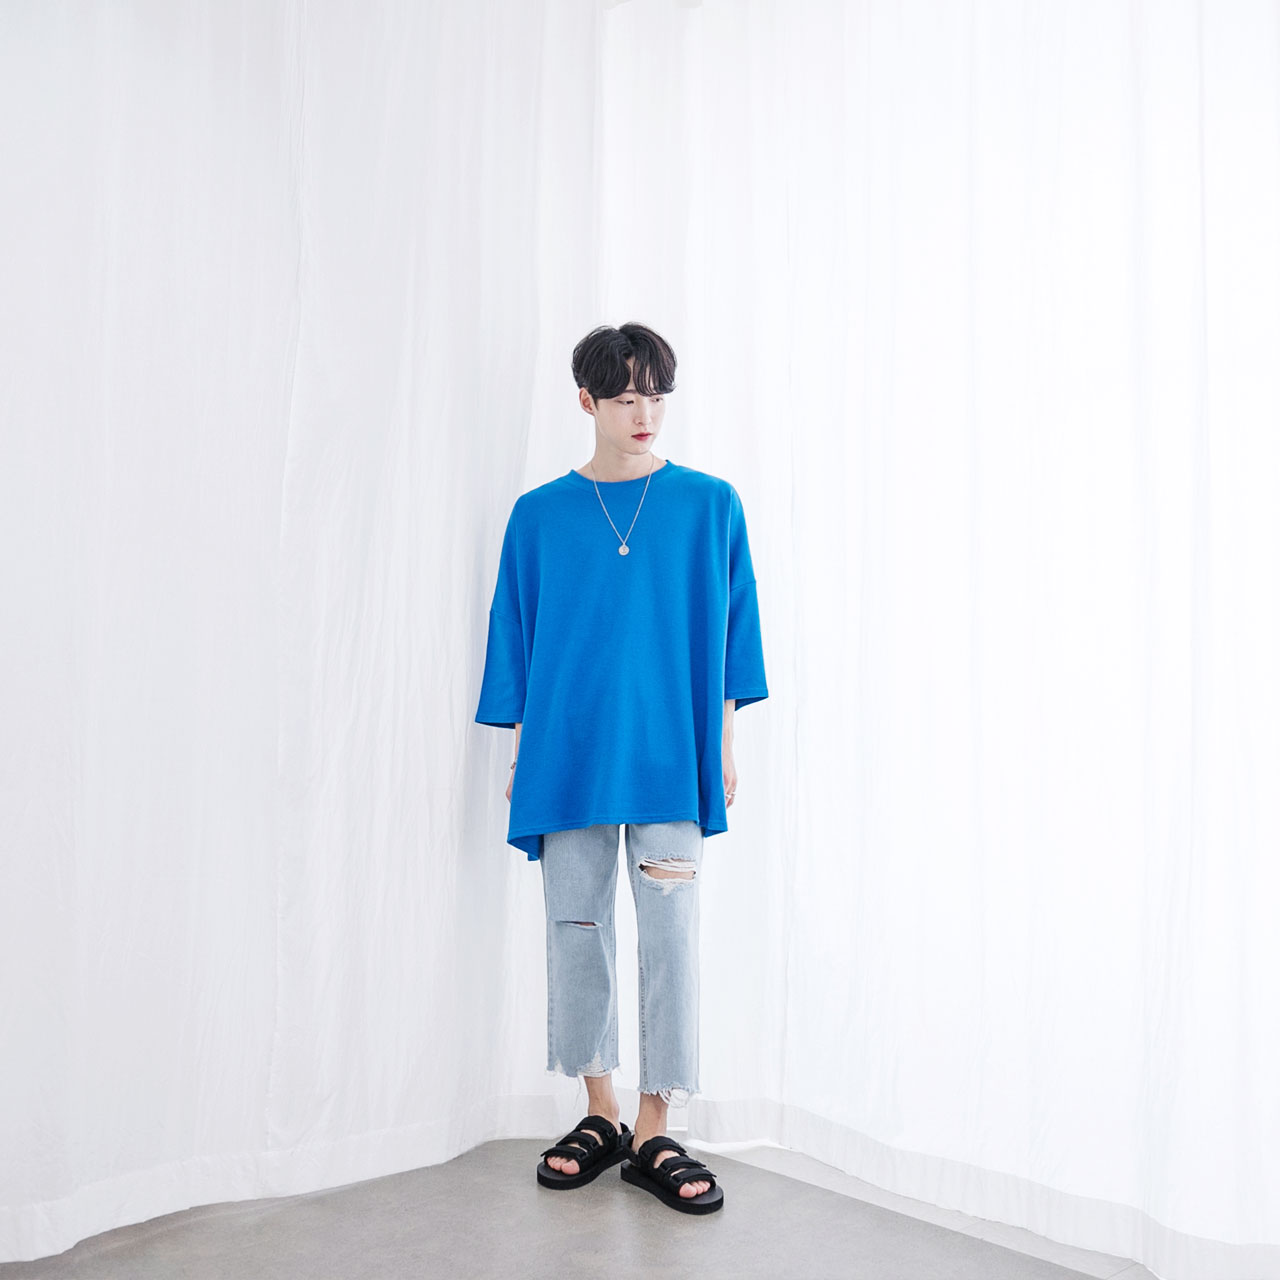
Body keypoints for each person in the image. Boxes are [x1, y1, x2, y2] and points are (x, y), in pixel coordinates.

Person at [474, 322, 768, 1215]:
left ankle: (655, 1125)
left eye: (656, 395)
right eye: (627, 396)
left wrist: (723, 742)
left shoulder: (710, 504)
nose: (646, 413)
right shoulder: (539, 515)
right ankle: (599, 1111)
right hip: (567, 757)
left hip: (671, 755)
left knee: (671, 938)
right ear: (587, 401)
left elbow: (735, 631)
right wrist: (522, 750)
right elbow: (516, 636)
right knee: (577, 929)